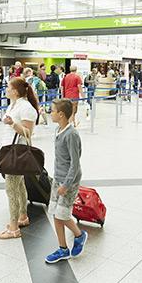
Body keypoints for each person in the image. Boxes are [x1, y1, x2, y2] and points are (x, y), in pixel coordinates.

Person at [44, 98, 87, 264]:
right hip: (59, 179)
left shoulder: (71, 135)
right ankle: (63, 248)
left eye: (53, 110)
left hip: (69, 181)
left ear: (61, 114)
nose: (50, 113)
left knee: (63, 214)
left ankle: (79, 235)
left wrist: (66, 185)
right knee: (55, 213)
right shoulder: (58, 129)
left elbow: (75, 164)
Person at [0, 77, 39, 240]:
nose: (6, 89)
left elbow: (28, 133)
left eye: (8, 87)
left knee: (11, 189)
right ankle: (23, 216)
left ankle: (13, 228)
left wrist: (13, 124)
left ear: (15, 91)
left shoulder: (26, 108)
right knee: (19, 184)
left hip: (17, 153)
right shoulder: (13, 104)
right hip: (9, 149)